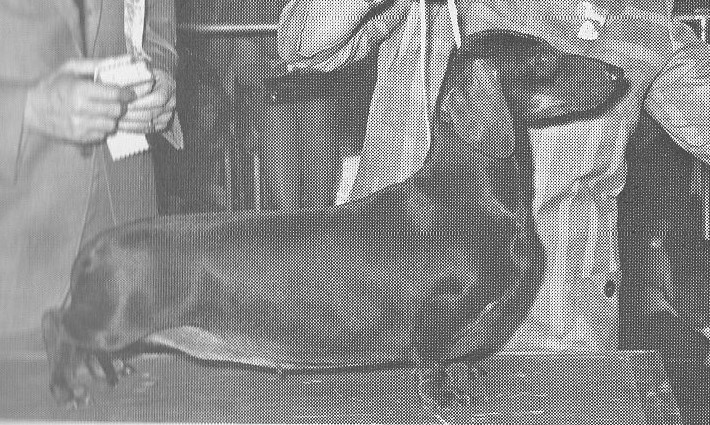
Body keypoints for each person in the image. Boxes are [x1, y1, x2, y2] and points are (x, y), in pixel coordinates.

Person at [277, 0, 710, 357]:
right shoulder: (424, 11)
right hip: (394, 316)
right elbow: (299, 42)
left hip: (554, 323)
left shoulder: (636, 21)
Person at [0, 0, 182, 347]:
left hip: (129, 243)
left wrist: (161, 73)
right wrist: (26, 109)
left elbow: (155, 22)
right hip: (16, 248)